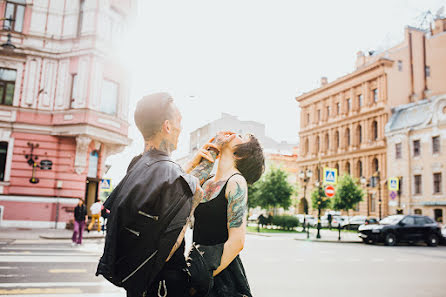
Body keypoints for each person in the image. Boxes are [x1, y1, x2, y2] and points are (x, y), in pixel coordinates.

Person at [96, 92, 233, 297]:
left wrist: (191, 165)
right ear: (167, 126)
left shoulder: (137, 164)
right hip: (164, 287)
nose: (181, 127)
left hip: (136, 285)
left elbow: (163, 188)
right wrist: (192, 204)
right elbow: (167, 249)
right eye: (179, 121)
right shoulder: (171, 173)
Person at [185, 133, 265, 297]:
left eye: (241, 136)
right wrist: (210, 153)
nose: (233, 134)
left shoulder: (236, 182)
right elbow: (181, 190)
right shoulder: (208, 179)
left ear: (243, 154)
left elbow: (237, 241)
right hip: (197, 265)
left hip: (219, 276)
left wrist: (204, 277)